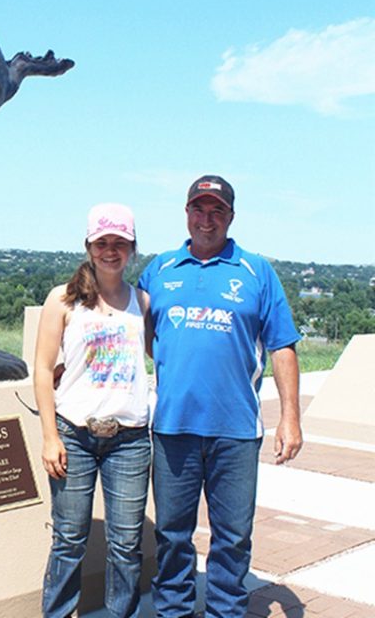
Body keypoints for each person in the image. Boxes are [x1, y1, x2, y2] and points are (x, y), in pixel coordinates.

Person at [138, 175, 303, 618]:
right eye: (199, 209)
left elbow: (282, 346)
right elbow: (138, 333)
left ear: (231, 217)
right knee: (172, 534)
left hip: (236, 430)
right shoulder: (160, 270)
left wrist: (291, 418)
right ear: (186, 213)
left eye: (217, 211)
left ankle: (225, 611)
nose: (206, 220)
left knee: (232, 536)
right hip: (173, 427)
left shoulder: (256, 271)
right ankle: (173, 611)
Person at [34, 203, 151, 618]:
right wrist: (50, 437)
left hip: (129, 440)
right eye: (102, 242)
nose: (110, 251)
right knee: (69, 538)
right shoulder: (63, 300)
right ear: (88, 246)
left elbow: (162, 356)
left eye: (120, 243)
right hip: (75, 435)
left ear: (132, 248)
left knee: (126, 543)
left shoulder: (142, 301)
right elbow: (43, 369)